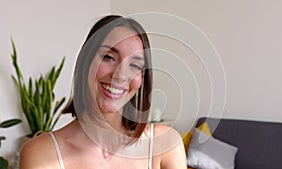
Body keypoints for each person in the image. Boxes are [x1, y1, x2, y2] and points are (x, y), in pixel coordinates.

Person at [19, 15, 186, 169]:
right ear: (85, 62)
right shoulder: (41, 153)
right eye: (109, 57)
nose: (120, 75)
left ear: (142, 79)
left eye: (135, 66)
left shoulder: (165, 144)